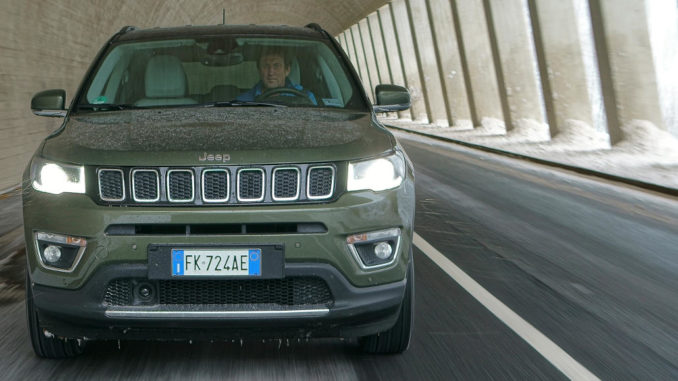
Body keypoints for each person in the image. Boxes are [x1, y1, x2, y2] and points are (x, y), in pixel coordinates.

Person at [237, 47, 317, 104]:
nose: (271, 72)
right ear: (259, 70)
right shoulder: (243, 101)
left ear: (287, 70)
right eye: (266, 65)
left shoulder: (306, 98)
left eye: (276, 65)